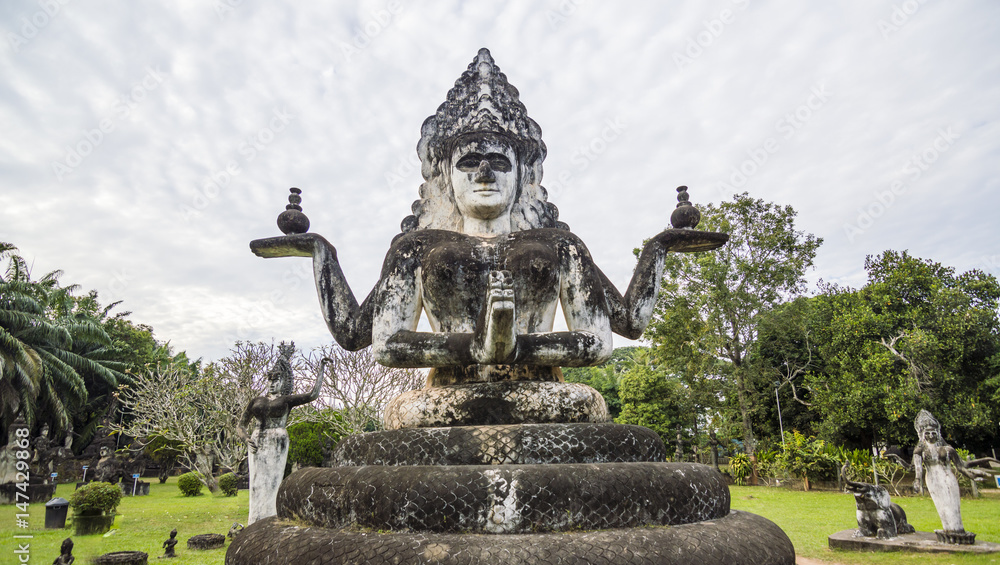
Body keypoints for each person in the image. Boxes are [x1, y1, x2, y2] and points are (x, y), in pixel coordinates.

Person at [250, 49, 725, 389]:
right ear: (443, 175)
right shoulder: (415, 248)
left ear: (525, 174)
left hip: (544, 394)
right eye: (467, 162)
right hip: (445, 399)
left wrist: (658, 249)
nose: (482, 172)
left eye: (499, 162)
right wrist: (320, 253)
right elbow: (370, 340)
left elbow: (615, 331)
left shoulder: (561, 245)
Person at [239, 342, 330, 524]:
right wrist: (246, 438)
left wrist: (321, 368)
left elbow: (313, 394)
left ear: (283, 382)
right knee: (256, 483)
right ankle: (254, 521)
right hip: (257, 442)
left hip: (277, 440)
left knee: (273, 482)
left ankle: (270, 518)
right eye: (270, 380)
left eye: (276, 380)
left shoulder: (287, 400)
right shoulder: (257, 400)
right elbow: (240, 425)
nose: (272, 384)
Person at [912, 409, 996, 541]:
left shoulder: (947, 449)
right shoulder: (920, 450)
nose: (931, 435)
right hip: (932, 479)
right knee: (942, 507)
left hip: (947, 477)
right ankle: (949, 531)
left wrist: (973, 474)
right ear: (922, 434)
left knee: (953, 505)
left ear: (938, 433)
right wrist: (917, 481)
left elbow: (962, 466)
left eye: (933, 432)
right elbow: (918, 469)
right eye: (927, 433)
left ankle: (957, 531)